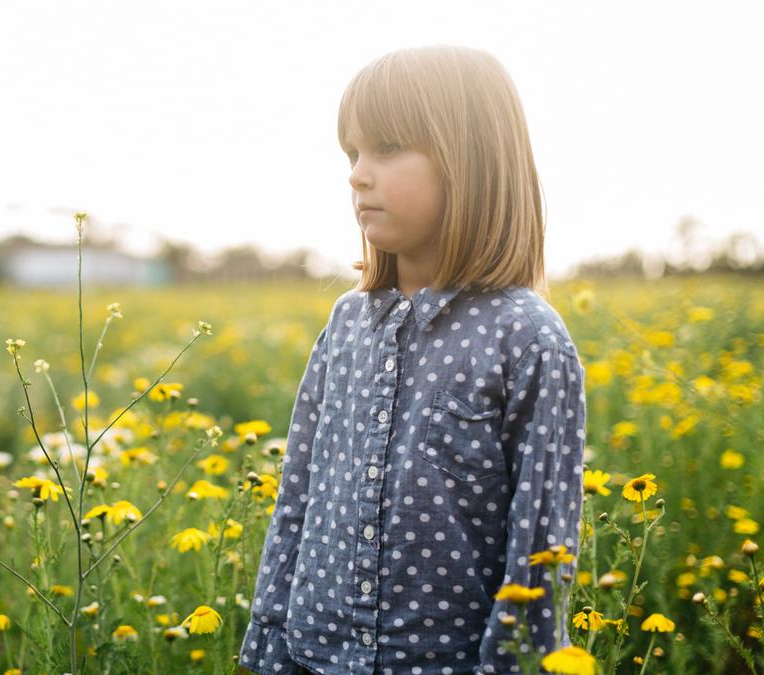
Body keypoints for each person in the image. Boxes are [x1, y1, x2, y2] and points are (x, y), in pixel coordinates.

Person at [237, 45, 587, 674]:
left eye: (389, 147)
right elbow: (298, 495)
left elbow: (542, 546)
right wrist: (268, 644)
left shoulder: (526, 337)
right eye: (352, 153)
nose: (358, 174)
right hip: (313, 655)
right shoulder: (346, 322)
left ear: (472, 162)